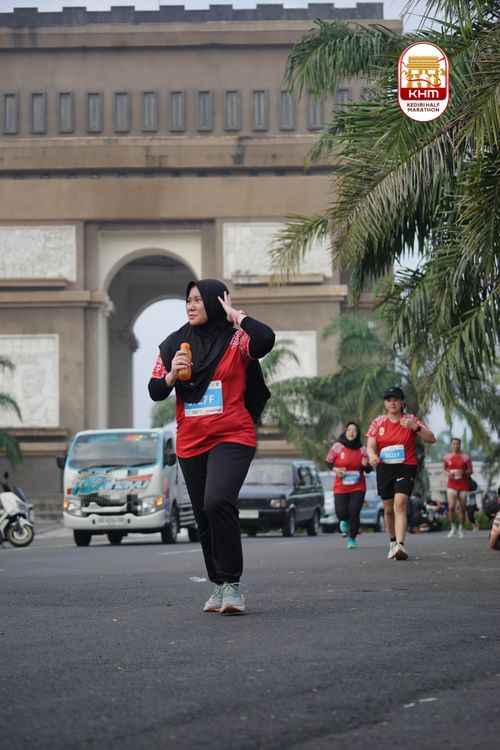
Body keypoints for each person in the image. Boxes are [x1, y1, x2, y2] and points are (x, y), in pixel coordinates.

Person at [148, 279, 275, 614]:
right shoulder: (174, 344)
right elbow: (155, 390)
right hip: (191, 441)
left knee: (217, 500)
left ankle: (232, 584)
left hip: (233, 436)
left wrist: (237, 316)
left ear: (215, 302)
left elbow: (265, 339)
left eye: (198, 300)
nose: (191, 306)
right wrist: (171, 375)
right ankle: (218, 584)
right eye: (187, 300)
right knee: (203, 514)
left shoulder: (237, 340)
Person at [366, 386, 436, 561]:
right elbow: (371, 445)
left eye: (396, 399)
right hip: (385, 468)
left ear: (402, 402)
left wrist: (415, 428)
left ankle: (400, 545)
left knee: (400, 504)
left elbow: (431, 438)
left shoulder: (410, 419)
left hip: (406, 466)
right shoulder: (378, 422)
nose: (392, 403)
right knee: (388, 510)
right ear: (385, 403)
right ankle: (392, 543)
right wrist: (372, 455)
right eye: (389, 400)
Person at [325, 422, 371, 549]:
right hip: (341, 486)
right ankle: (343, 520)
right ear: (345, 432)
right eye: (349, 430)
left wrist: (366, 464)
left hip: (358, 486)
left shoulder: (363, 450)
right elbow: (328, 461)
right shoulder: (337, 447)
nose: (351, 432)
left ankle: (352, 539)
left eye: (354, 430)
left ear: (357, 434)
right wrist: (336, 469)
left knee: (354, 512)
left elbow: (368, 470)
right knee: (341, 513)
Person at [442, 438, 473, 538]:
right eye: (454, 443)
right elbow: (444, 470)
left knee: (462, 509)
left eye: (457, 443)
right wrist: (448, 474)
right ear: (451, 445)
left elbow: (471, 470)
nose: (456, 445)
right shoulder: (447, 457)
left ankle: (461, 528)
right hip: (451, 485)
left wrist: (463, 472)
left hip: (463, 485)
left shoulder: (465, 457)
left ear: (460, 445)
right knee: (451, 507)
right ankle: (453, 527)